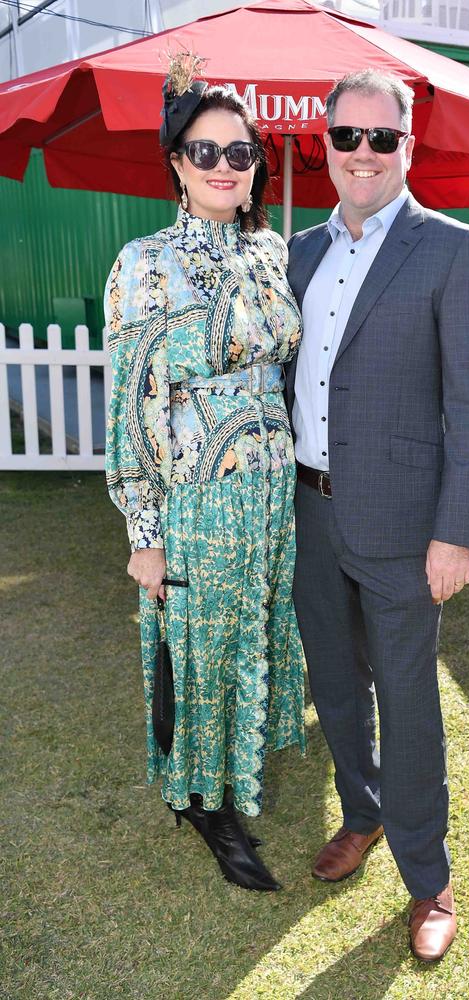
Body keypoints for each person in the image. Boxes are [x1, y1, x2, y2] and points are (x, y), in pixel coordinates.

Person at [286, 69, 469, 960]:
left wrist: (456, 531)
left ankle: (428, 875)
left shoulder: (455, 249)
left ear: (410, 146)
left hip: (409, 528)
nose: (364, 154)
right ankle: (362, 813)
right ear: (324, 144)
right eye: (348, 137)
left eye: (383, 138)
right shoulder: (296, 253)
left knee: (408, 702)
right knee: (335, 687)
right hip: (309, 514)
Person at [104, 64, 305, 893]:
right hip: (198, 496)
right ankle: (203, 801)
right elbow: (130, 405)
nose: (227, 164)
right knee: (200, 645)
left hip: (271, 490)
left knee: (249, 631)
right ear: (177, 164)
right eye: (206, 150)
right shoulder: (144, 263)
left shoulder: (269, 250)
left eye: (242, 150)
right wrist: (144, 537)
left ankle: (232, 768)